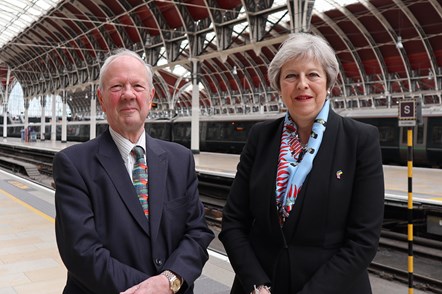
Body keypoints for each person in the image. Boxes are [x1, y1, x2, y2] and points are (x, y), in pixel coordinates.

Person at [219, 32, 385, 294]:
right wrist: (255, 283)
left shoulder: (360, 140)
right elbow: (233, 222)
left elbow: (363, 240)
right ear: (279, 85)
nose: (302, 84)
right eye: (291, 75)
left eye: (313, 75)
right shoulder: (260, 137)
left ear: (329, 82)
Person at [53, 49, 214, 294]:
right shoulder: (73, 163)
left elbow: (198, 232)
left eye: (137, 86)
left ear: (150, 98)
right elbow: (81, 251)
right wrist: (149, 290)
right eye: (117, 86)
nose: (128, 94)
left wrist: (169, 281)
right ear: (102, 99)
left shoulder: (180, 160)